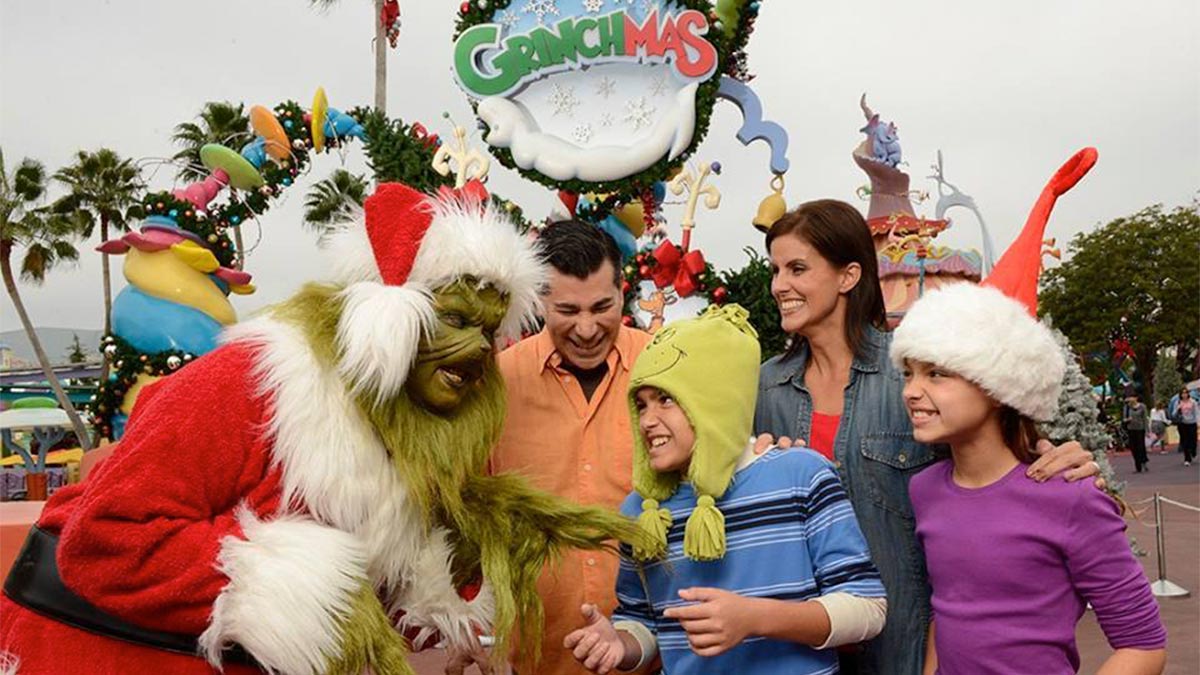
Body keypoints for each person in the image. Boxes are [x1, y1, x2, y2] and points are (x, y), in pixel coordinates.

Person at [0, 181, 640, 675]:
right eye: (451, 320)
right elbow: (104, 540)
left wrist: (441, 586)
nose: (474, 350)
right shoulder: (254, 382)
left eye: (487, 330)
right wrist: (291, 588)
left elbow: (371, 588)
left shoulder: (412, 429)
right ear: (386, 319)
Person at [753, 170, 1104, 673]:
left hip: (907, 640)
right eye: (776, 270)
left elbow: (994, 463)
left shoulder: (910, 374)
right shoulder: (766, 388)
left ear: (848, 276)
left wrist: (1056, 458)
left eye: (797, 269)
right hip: (804, 641)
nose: (779, 285)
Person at [565, 305, 887, 674]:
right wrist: (619, 643)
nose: (648, 421)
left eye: (666, 399)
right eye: (641, 404)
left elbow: (867, 608)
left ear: (712, 402)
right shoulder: (641, 512)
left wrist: (755, 617)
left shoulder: (802, 474)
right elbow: (644, 620)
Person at [893, 282, 1166, 674]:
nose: (911, 391)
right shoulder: (925, 490)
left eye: (936, 374)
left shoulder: (1070, 495)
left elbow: (1143, 645)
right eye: (907, 373)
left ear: (998, 387)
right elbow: (949, 609)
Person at [490, 220, 654, 674]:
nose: (586, 329)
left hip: (655, 656)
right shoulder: (498, 385)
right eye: (567, 310)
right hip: (536, 657)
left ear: (623, 292)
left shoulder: (664, 367)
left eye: (602, 306)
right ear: (540, 300)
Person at [1124, 394, 1149, 472]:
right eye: (1130, 397)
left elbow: (1145, 418)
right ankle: (1137, 466)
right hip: (1131, 429)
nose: (1131, 399)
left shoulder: (1142, 406)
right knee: (1133, 448)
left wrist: (1147, 429)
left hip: (1140, 429)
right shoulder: (1127, 407)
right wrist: (1127, 419)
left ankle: (1143, 462)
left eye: (1132, 397)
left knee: (1141, 447)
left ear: (1136, 398)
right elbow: (1124, 419)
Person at [1172, 387, 1197, 466]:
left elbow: (1197, 412)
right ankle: (1187, 458)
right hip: (1182, 423)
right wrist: (1178, 409)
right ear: (1180, 395)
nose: (1184, 395)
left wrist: (1198, 421)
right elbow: (1173, 414)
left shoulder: (1193, 402)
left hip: (1192, 422)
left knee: (1193, 439)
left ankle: (1193, 451)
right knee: (1185, 441)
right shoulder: (1178, 402)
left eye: (1186, 393)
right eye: (1183, 393)